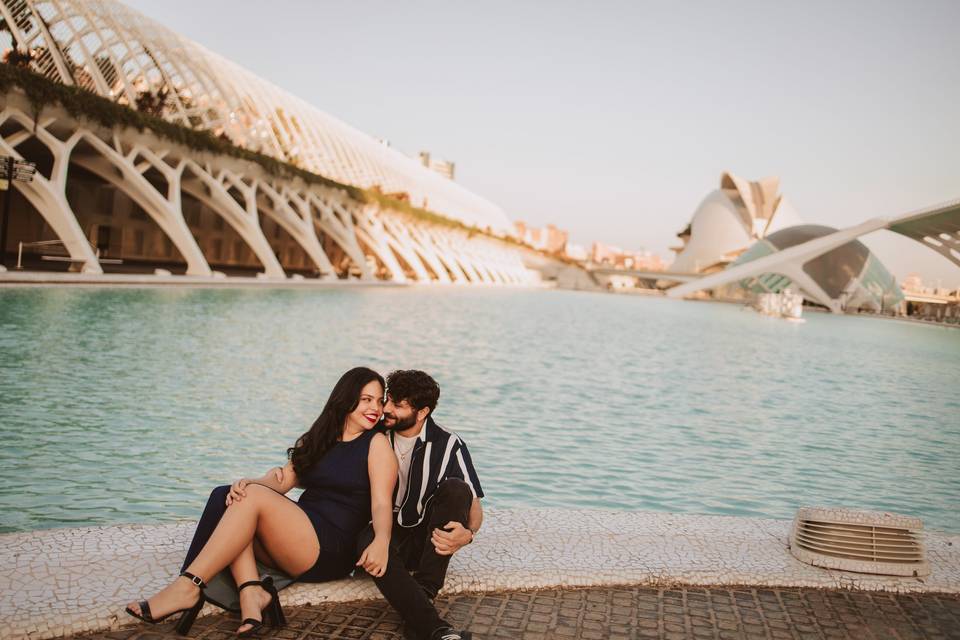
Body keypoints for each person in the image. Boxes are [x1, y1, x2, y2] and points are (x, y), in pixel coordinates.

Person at [124, 366, 397, 636]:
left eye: (378, 400)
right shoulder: (317, 439)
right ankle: (251, 590)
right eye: (366, 399)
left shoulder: (376, 444)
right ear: (345, 399)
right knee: (227, 495)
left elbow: (382, 502)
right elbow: (280, 482)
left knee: (249, 497)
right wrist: (250, 482)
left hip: (331, 546)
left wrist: (381, 541)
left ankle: (188, 586)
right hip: (299, 535)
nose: (376, 408)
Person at [365, 369, 484, 640]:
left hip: (427, 542)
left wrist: (468, 535)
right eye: (388, 400)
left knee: (457, 489)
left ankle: (426, 587)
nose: (386, 409)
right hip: (386, 535)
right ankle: (431, 623)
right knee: (366, 538)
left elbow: (473, 504)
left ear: (422, 412)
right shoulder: (376, 436)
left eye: (397, 404)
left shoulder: (449, 443)